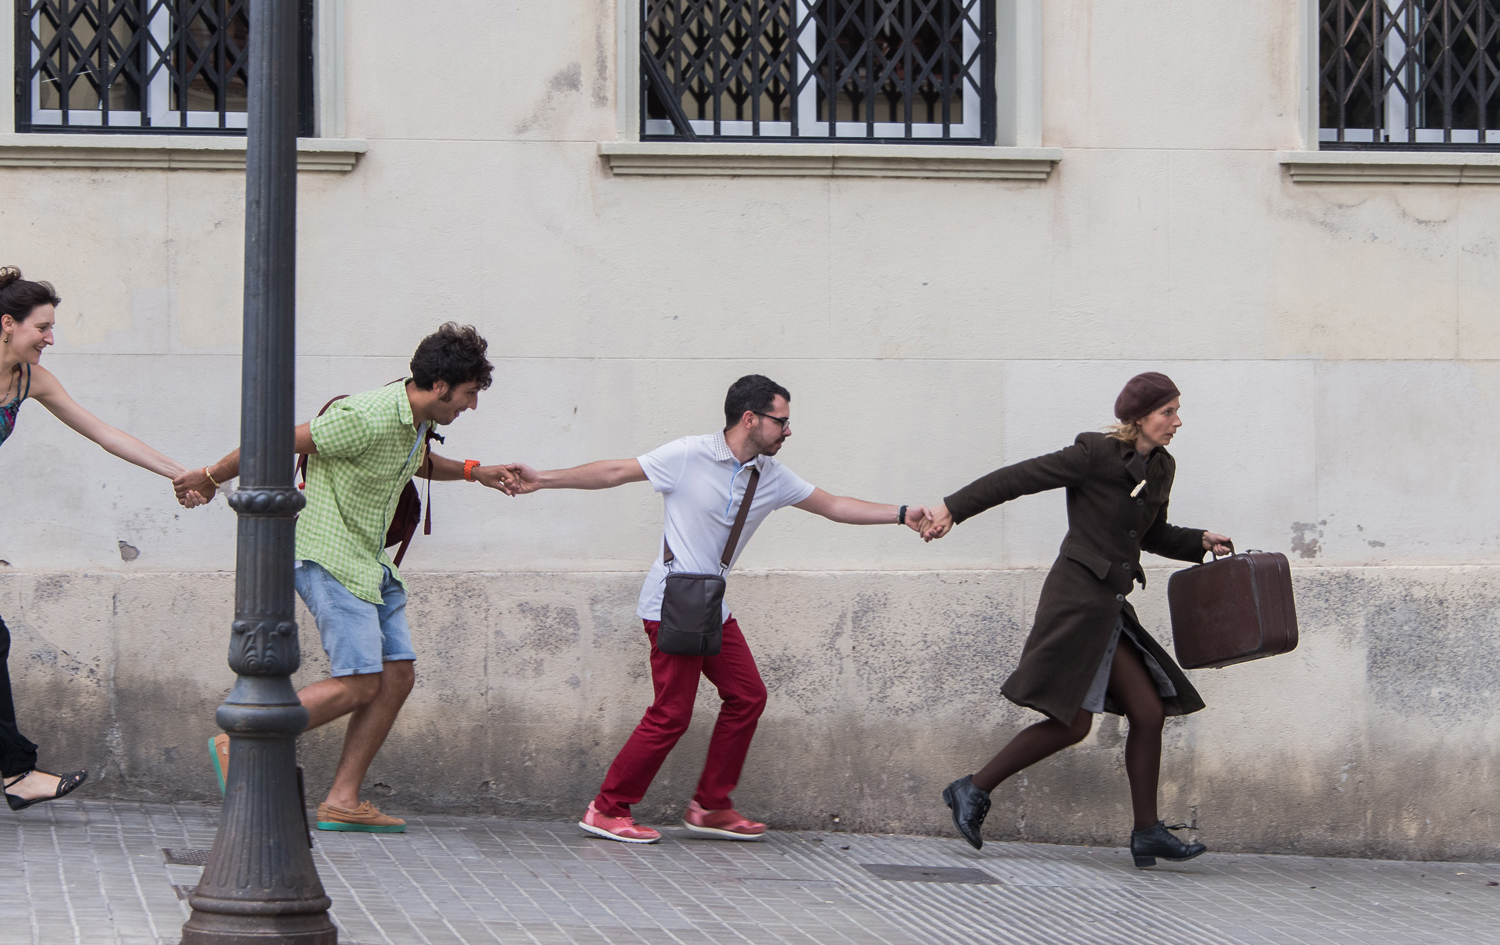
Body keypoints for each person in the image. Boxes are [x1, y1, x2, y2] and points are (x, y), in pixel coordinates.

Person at [499, 374, 931, 843]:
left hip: (709, 605)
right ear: (751, 419)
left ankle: (711, 805)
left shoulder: (772, 477)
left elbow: (834, 506)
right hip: (670, 602)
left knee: (747, 696)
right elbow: (614, 472)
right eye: (781, 422)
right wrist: (543, 479)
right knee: (672, 713)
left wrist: (902, 513)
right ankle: (608, 807)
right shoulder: (688, 455)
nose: (788, 432)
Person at [174, 323, 512, 833]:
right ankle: (241, 740)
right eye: (469, 394)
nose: (472, 405)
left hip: (368, 564)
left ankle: (342, 800)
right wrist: (210, 475)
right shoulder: (367, 415)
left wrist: (473, 471)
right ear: (441, 386)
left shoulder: (412, 419)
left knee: (396, 676)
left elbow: (415, 460)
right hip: (327, 556)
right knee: (358, 683)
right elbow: (272, 441)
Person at [920, 372, 1232, 868]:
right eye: (1168, 412)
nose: (1177, 421)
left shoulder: (1162, 467)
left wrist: (1199, 541)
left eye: (1177, 410)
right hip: (1077, 603)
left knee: (1147, 713)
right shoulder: (1095, 455)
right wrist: (951, 509)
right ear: (1140, 417)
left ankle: (1147, 831)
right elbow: (1015, 479)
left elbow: (1151, 533)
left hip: (1109, 607)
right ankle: (971, 788)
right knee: (1071, 723)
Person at [0, 267, 207, 812]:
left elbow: (104, 433)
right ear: (7, 324)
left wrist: (182, 473)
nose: (50, 337)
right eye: (42, 327)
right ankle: (16, 773)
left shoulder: (28, 381)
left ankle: (16, 772)